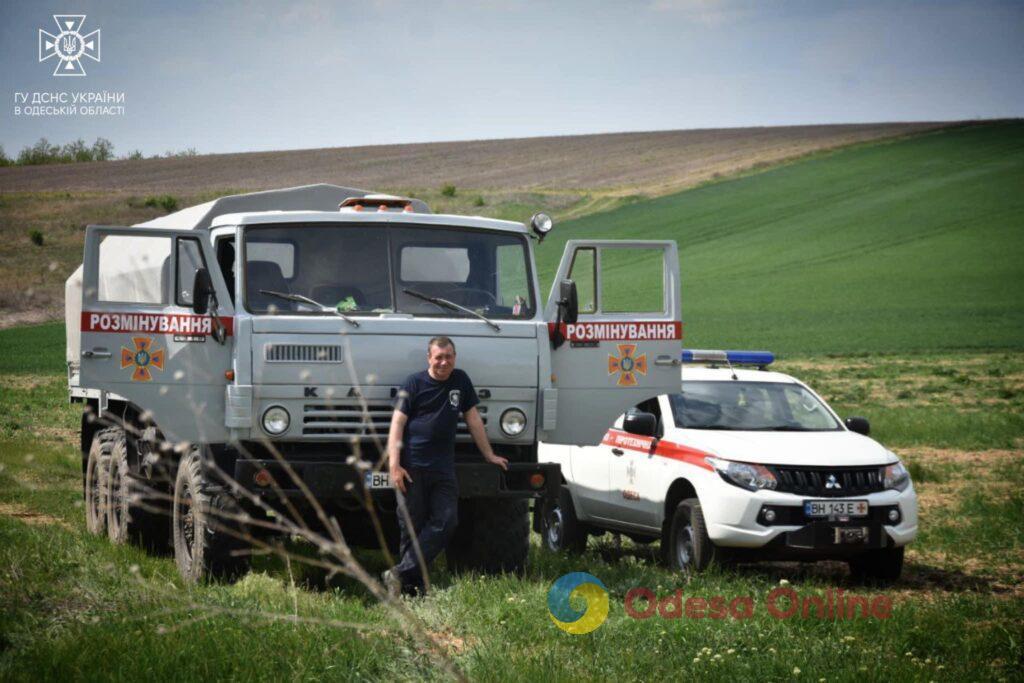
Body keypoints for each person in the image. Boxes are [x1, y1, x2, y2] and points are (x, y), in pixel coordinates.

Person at [383, 336, 508, 597]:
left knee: (447, 521)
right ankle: (410, 589)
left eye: (448, 356)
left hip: (443, 468)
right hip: (413, 466)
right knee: (411, 525)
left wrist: (489, 455)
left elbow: (473, 420)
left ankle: (400, 573)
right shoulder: (414, 383)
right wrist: (394, 465)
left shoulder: (460, 380)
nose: (443, 362)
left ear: (455, 357)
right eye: (438, 357)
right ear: (429, 358)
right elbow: (397, 424)